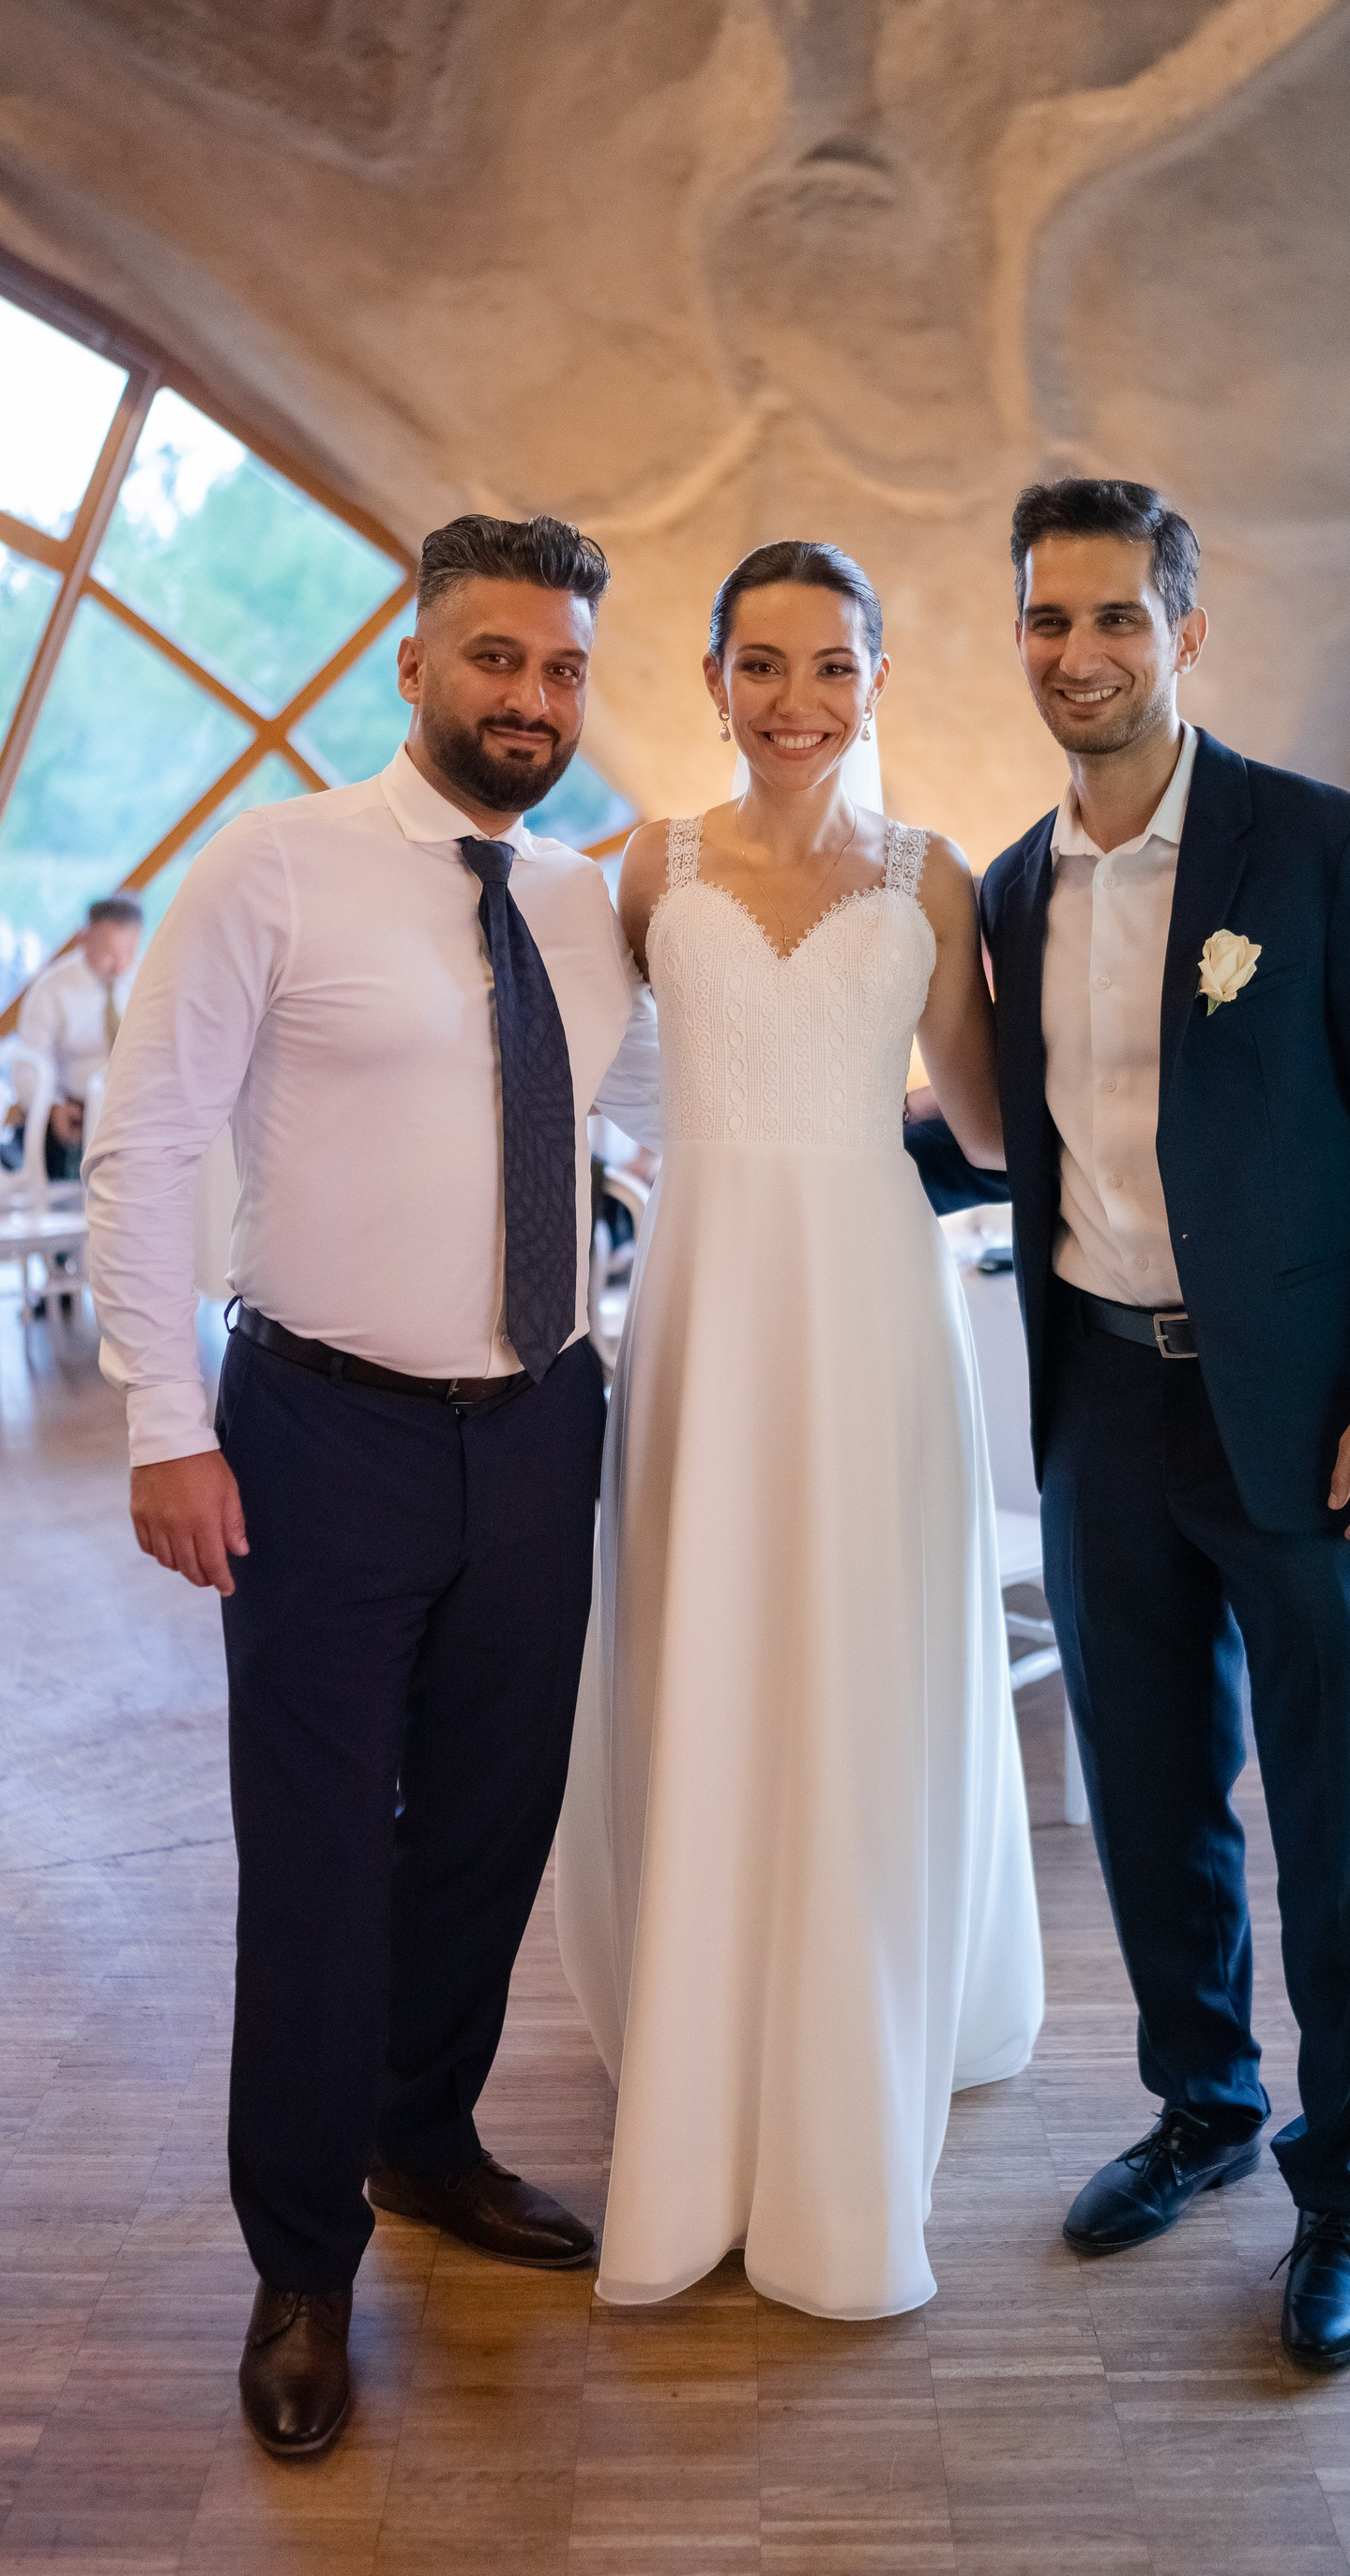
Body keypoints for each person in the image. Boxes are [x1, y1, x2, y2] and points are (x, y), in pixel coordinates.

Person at [909, 479, 1350, 2370]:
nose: (1079, 653)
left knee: (1337, 1821)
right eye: (1047, 619)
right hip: (1101, 1402)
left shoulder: (1329, 851)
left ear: (1185, 631)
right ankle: (1204, 2107)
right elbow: (1008, 1141)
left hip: (1315, 1417)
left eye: (1116, 618)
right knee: (1150, 1795)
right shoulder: (1017, 887)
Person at [84, 514, 661, 2461]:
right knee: (322, 1858)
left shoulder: (583, 900)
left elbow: (670, 1116)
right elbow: (148, 1140)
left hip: (544, 1424)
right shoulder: (276, 867)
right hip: (322, 1435)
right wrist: (165, 1419)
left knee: (490, 1827)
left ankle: (425, 2136)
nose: (531, 697)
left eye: (563, 667)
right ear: (411, 666)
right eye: (496, 657)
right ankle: (302, 2263)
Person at [555, 540, 1044, 2321]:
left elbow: (988, 1132)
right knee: (708, 1641)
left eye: (832, 665)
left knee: (853, 1655)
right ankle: (707, 2038)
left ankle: (853, 2045)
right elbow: (564, 1071)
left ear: (878, 684)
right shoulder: (644, 869)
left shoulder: (935, 880)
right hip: (701, 1311)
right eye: (760, 664)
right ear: (710, 680)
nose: (795, 700)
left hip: (870, 1305)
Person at [18, 894, 144, 1180]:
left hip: (136, 1111)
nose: (120, 964)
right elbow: (28, 1064)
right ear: (83, 938)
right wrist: (53, 1107)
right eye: (110, 954)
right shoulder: (51, 988)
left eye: (129, 952)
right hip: (75, 1114)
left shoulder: (147, 978)